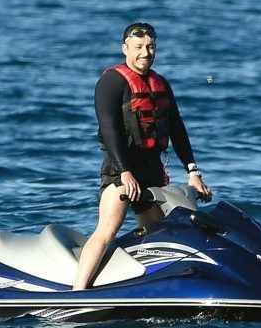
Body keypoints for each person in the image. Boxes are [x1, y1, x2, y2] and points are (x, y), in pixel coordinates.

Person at [73, 22, 211, 291]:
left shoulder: (160, 83)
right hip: (121, 171)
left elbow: (177, 129)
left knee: (159, 234)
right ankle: (77, 291)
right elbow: (108, 128)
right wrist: (124, 172)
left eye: (150, 47)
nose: (145, 53)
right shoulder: (111, 82)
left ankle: (149, 286)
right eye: (138, 48)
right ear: (125, 48)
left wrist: (193, 172)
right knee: (107, 230)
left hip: (152, 172)